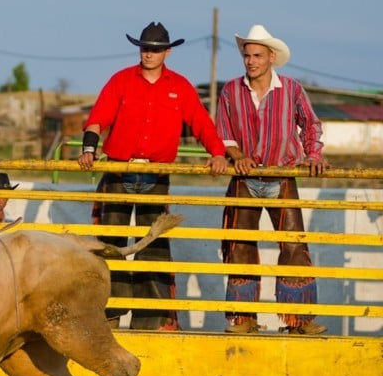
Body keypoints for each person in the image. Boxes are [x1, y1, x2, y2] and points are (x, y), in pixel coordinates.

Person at [78, 22, 229, 331]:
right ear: (140, 50)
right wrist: (89, 149)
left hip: (157, 173)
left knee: (153, 246)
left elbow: (201, 123)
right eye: (146, 48)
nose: (150, 53)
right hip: (119, 169)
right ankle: (108, 314)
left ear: (167, 52)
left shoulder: (181, 87)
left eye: (156, 49)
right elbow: (98, 118)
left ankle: (151, 319)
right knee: (111, 244)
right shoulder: (120, 81)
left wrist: (216, 152)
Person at [215, 25, 328, 335]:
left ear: (271, 58)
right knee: (240, 246)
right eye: (247, 55)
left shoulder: (291, 89)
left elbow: (311, 126)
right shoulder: (230, 91)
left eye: (257, 55)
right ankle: (244, 318)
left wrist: (313, 156)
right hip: (245, 176)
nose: (251, 61)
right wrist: (238, 156)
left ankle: (299, 319)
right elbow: (223, 135)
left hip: (282, 174)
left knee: (293, 245)